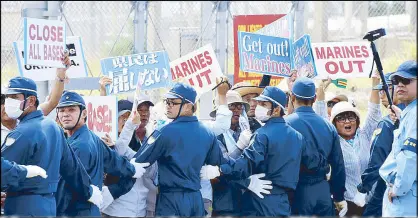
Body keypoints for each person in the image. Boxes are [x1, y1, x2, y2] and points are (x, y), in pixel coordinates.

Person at [131, 83, 245, 216]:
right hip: (196, 198)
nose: (168, 105)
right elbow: (227, 164)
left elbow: (138, 162)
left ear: (188, 106)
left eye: (173, 102)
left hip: (171, 200)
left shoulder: (164, 132)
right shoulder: (207, 133)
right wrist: (220, 170)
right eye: (166, 102)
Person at [1, 76, 102, 216]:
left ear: (30, 101)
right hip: (48, 206)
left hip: (22, 207)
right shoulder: (53, 127)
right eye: (6, 97)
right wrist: (88, 191)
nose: (8, 102)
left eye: (13, 97)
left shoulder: (21, 133)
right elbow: (72, 167)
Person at [203, 86, 306, 216]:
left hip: (261, 199)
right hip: (281, 201)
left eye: (264, 104)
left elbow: (244, 166)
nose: (258, 107)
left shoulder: (262, 134)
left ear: (277, 109)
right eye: (259, 103)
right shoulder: (297, 136)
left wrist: (220, 170)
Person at [55, 91, 150, 216]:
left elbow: (66, 188)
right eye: (61, 110)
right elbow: (113, 160)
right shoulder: (91, 137)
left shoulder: (79, 146)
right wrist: (132, 169)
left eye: (71, 110)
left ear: (84, 113)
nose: (65, 114)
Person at [285, 77, 347, 216]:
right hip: (322, 190)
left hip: (297, 191)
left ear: (292, 97)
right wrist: (338, 196)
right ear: (314, 99)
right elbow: (338, 165)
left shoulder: (285, 125)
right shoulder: (328, 126)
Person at [329, 74, 381, 216]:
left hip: (371, 201)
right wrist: (321, 90)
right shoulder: (333, 142)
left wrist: (375, 84)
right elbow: (320, 116)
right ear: (334, 123)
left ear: (357, 120)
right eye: (341, 118)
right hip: (346, 204)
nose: (347, 122)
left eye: (351, 117)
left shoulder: (364, 135)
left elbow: (374, 113)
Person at [357, 72, 405, 216]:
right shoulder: (410, 116)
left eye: (384, 90)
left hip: (385, 186)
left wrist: (363, 188)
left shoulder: (387, 123)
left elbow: (377, 162)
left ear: (396, 90)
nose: (381, 95)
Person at [1, 55, 69, 144]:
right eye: (4, 100)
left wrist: (61, 74)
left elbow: (51, 102)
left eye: (14, 98)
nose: (7, 104)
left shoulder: (28, 116)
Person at [379, 60, 417, 217]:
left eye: (406, 80)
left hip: (407, 196)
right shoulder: (411, 112)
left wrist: (398, 188)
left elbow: (410, 156)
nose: (400, 85)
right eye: (396, 81)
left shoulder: (414, 114)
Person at [209, 90, 252, 216]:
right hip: (225, 202)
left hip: (247, 201)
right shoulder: (215, 135)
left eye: (239, 106)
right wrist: (239, 147)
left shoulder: (246, 131)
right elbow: (222, 164)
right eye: (231, 106)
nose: (236, 110)